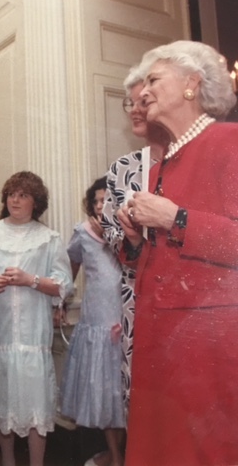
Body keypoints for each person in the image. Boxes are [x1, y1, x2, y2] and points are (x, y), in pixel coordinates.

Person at [117, 40, 238, 465]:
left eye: (153, 80)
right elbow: (156, 259)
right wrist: (134, 240)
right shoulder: (158, 165)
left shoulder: (230, 141)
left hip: (209, 349)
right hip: (159, 341)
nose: (142, 92)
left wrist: (176, 219)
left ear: (192, 84)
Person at [0, 171, 73, 466]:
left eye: (23, 195)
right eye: (12, 193)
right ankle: (7, 462)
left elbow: (64, 284)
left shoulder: (49, 238)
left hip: (33, 337)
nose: (15, 199)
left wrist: (30, 279)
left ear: (36, 202)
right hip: (0, 335)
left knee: (37, 405)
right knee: (4, 403)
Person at [100, 66, 170, 415]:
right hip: (137, 300)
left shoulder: (198, 158)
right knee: (144, 404)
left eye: (144, 100)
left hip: (193, 303)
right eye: (130, 102)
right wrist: (130, 238)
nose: (134, 109)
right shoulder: (123, 169)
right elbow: (112, 236)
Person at [60, 177, 125, 466]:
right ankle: (115, 457)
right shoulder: (83, 233)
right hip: (98, 323)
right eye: (97, 201)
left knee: (125, 399)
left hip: (127, 324)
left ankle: (123, 455)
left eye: (107, 200)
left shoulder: (133, 233)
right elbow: (69, 265)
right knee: (106, 398)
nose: (101, 206)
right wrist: (62, 298)